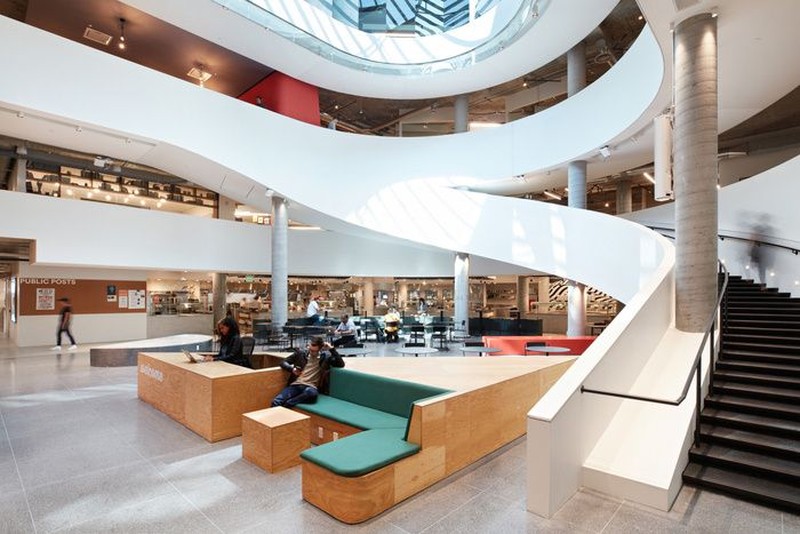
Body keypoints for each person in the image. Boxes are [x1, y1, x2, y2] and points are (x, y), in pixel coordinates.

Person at [271, 336, 344, 407]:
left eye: (314, 351)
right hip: (296, 385)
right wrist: (292, 369)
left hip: (311, 387)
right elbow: (283, 362)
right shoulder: (300, 354)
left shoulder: (326, 357)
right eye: (310, 349)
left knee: (311, 393)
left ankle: (289, 403)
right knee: (276, 401)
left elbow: (341, 364)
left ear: (320, 349)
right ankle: (286, 407)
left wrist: (331, 349)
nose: (311, 352)